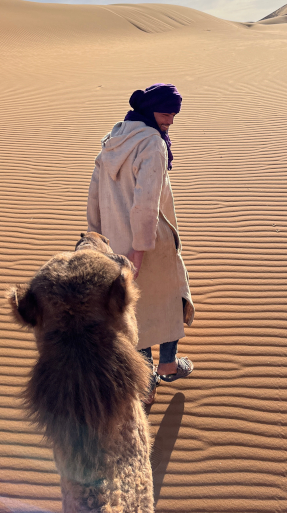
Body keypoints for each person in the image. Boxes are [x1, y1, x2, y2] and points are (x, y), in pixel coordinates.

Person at [86, 83, 195, 404]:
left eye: (175, 115)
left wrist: (95, 235)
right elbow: (146, 203)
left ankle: (146, 382)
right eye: (166, 114)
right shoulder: (152, 144)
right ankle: (167, 365)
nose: (171, 121)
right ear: (149, 111)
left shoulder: (114, 137)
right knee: (169, 298)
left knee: (137, 310)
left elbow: (94, 191)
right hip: (149, 240)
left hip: (115, 239)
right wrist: (141, 246)